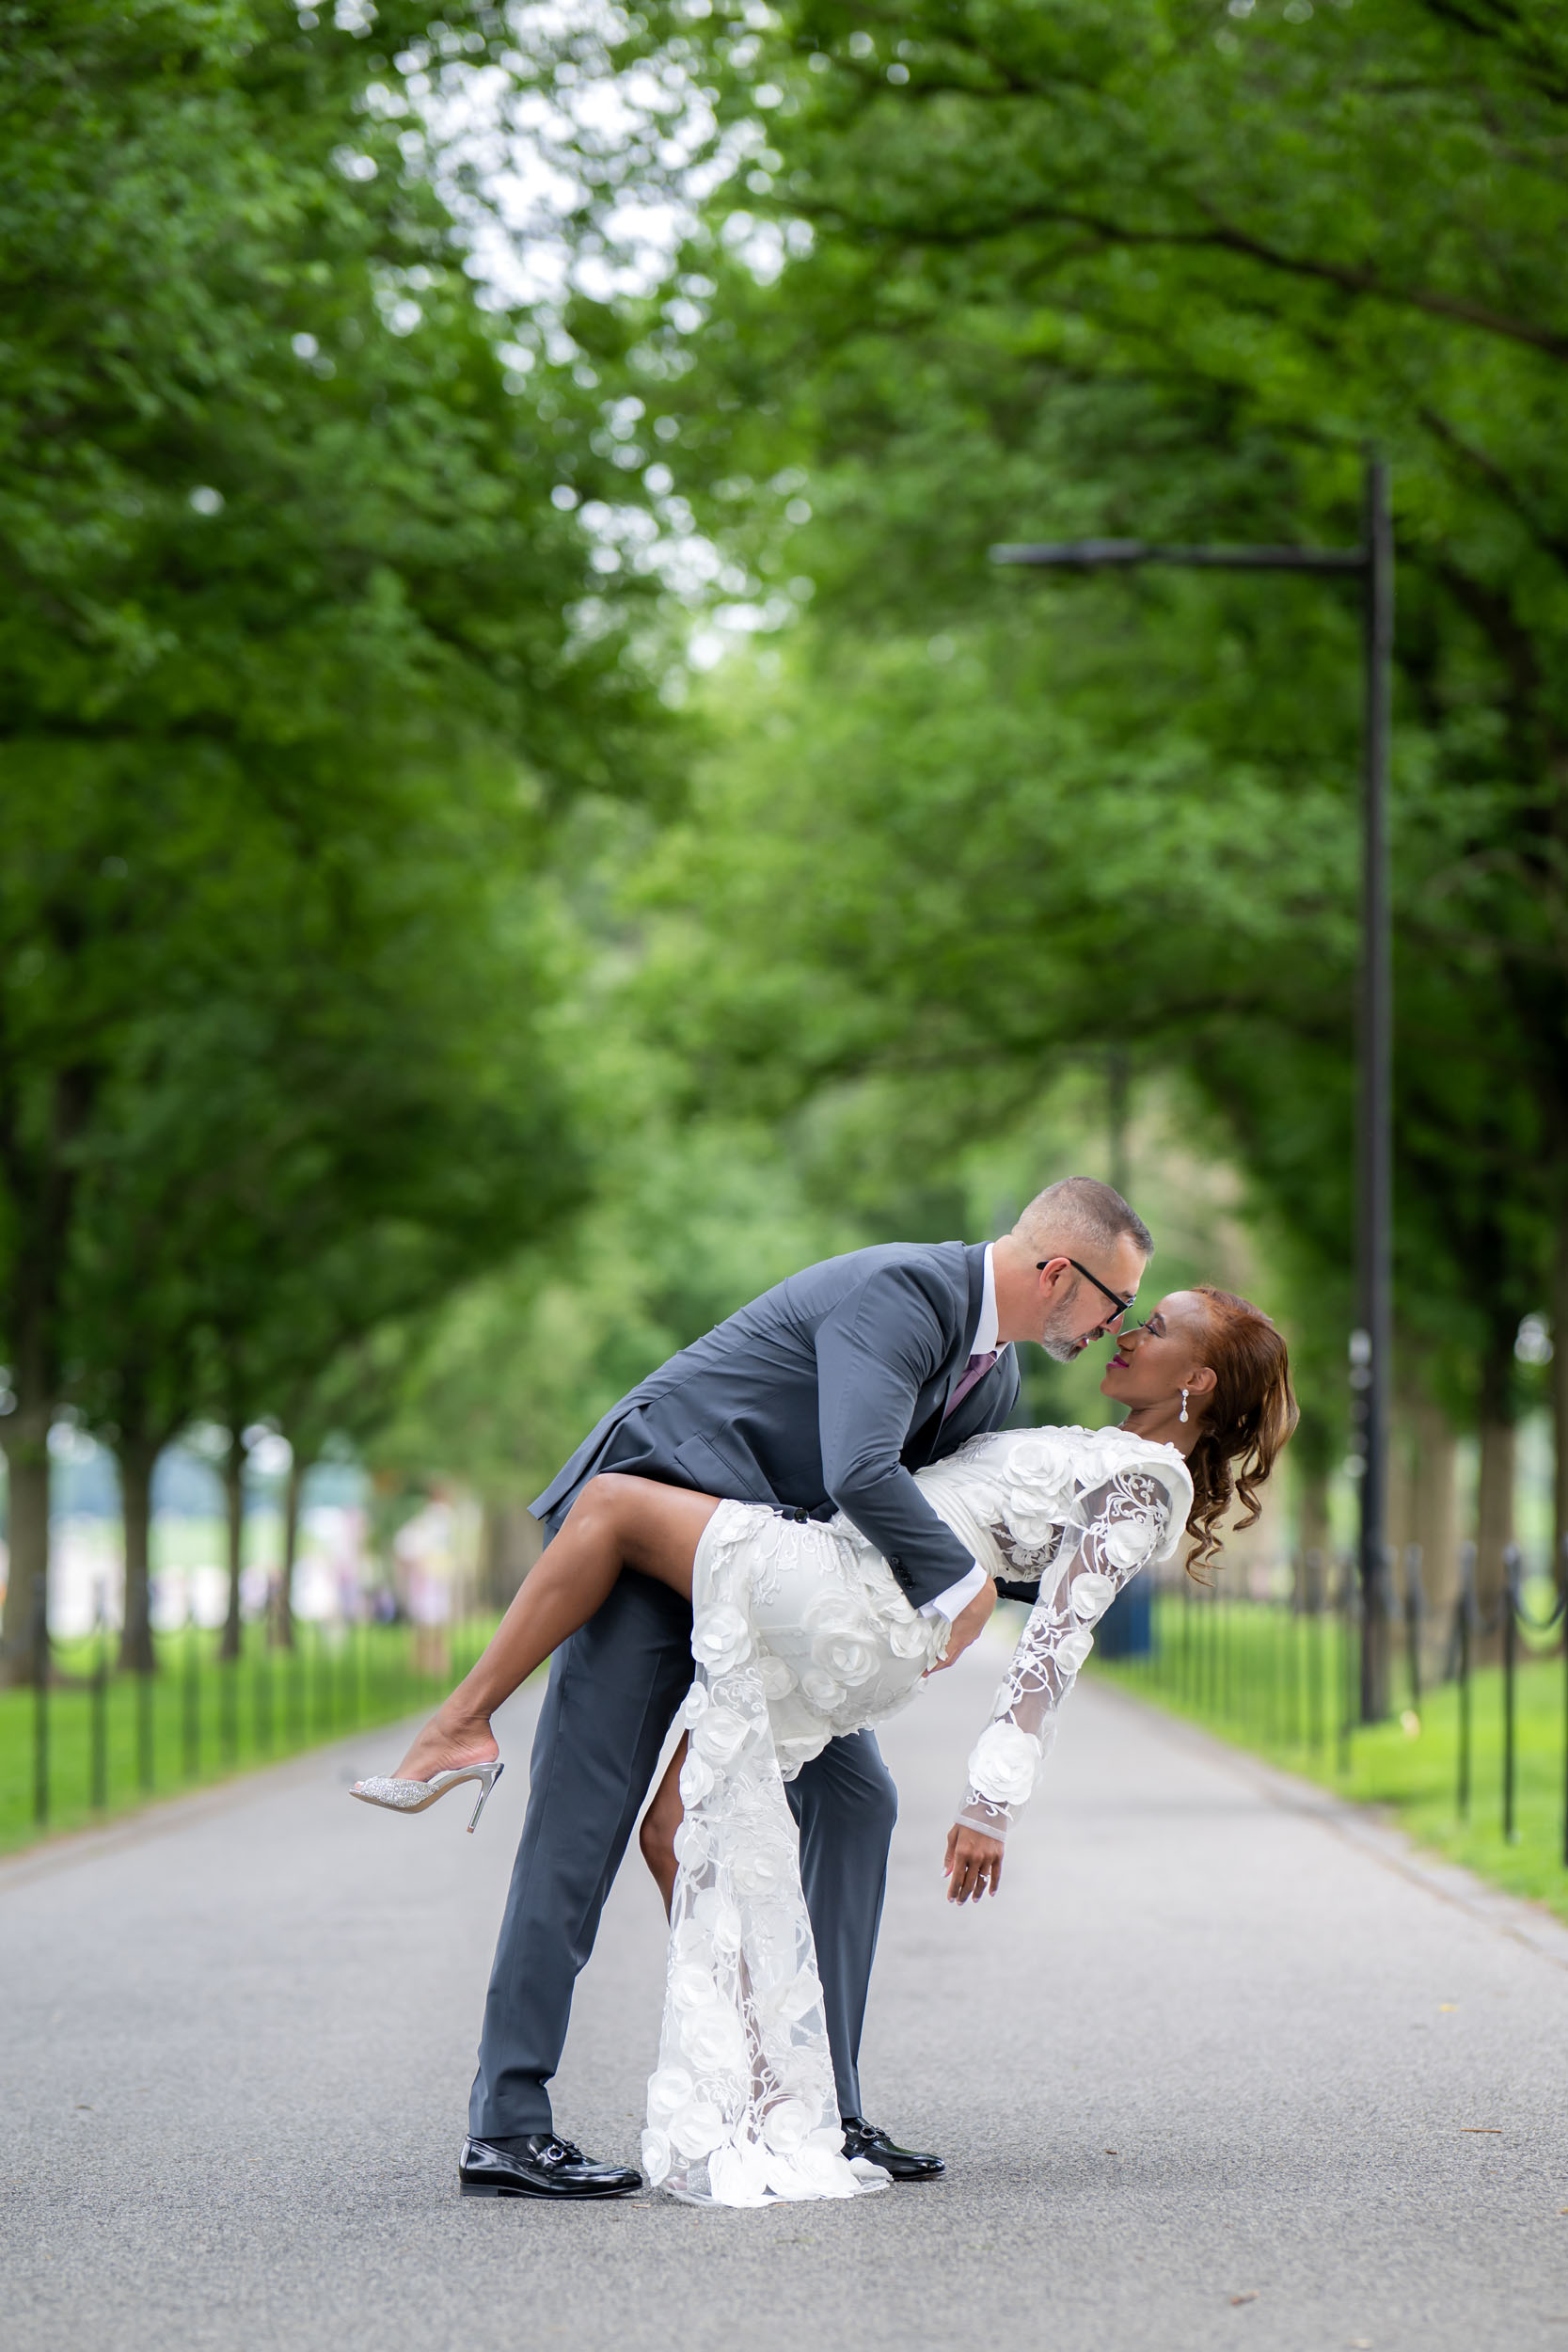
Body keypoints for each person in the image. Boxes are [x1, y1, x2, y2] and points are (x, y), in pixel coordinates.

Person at [356, 1279, 1296, 2204]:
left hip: (845, 1597)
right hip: (842, 1598)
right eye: (1123, 1304)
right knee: (678, 1822)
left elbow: (1055, 1635)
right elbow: (997, 1530)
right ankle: (779, 2089)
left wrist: (988, 1801)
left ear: (1199, 1382)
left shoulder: (1140, 1481)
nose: (1124, 1327)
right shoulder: (1030, 1393)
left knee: (610, 1503)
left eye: (1154, 1321)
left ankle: (459, 1722)